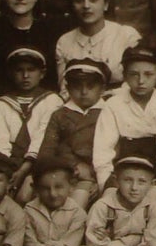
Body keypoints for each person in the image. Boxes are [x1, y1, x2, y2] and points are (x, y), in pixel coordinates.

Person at [91, 47, 156, 193]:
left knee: (154, 201)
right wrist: (105, 184)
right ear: (124, 76)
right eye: (134, 74)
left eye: (148, 74)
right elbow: (103, 150)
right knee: (111, 201)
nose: (141, 81)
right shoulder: (114, 104)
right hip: (123, 167)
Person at [4, 159, 94, 246]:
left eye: (59, 187)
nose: (52, 194)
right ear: (35, 189)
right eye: (45, 189)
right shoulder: (28, 210)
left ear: (71, 187)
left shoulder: (77, 213)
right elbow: (27, 243)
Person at [34, 58, 109, 210]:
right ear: (67, 88)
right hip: (66, 173)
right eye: (77, 87)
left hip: (99, 173)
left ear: (102, 88)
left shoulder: (109, 112)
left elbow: (115, 148)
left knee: (77, 205)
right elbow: (47, 151)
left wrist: (97, 177)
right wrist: (72, 165)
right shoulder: (60, 115)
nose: (83, 92)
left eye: (90, 86)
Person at [0, 47, 61, 202]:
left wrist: (24, 170)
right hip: (10, 161)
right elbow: (0, 139)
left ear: (42, 73)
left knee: (24, 196)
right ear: (10, 73)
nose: (25, 75)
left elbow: (42, 137)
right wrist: (4, 170)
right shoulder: (2, 103)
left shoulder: (51, 100)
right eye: (19, 70)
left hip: (39, 161)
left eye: (31, 70)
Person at [54, 0, 142, 96]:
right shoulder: (65, 41)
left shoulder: (126, 35)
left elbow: (136, 81)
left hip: (120, 102)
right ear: (73, 6)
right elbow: (64, 89)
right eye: (79, 0)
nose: (86, 5)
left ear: (105, 4)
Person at [87, 154, 156, 246]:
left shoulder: (154, 207)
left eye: (142, 181)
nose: (134, 188)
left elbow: (153, 239)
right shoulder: (103, 206)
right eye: (128, 180)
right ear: (116, 181)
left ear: (151, 184)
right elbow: (94, 243)